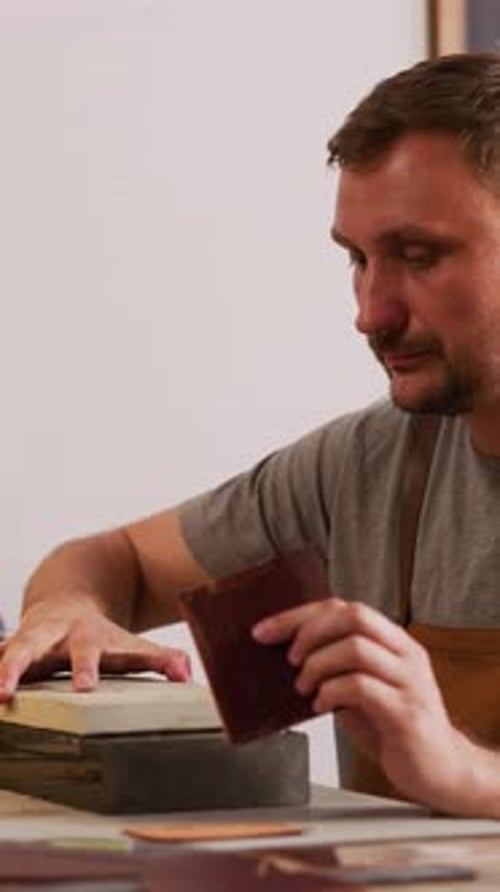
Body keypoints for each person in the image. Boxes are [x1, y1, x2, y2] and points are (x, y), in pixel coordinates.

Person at [4, 51, 500, 818]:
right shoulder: (368, 467)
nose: (371, 312)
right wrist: (64, 612)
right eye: (358, 259)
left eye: (418, 256)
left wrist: (463, 773)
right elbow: (116, 561)